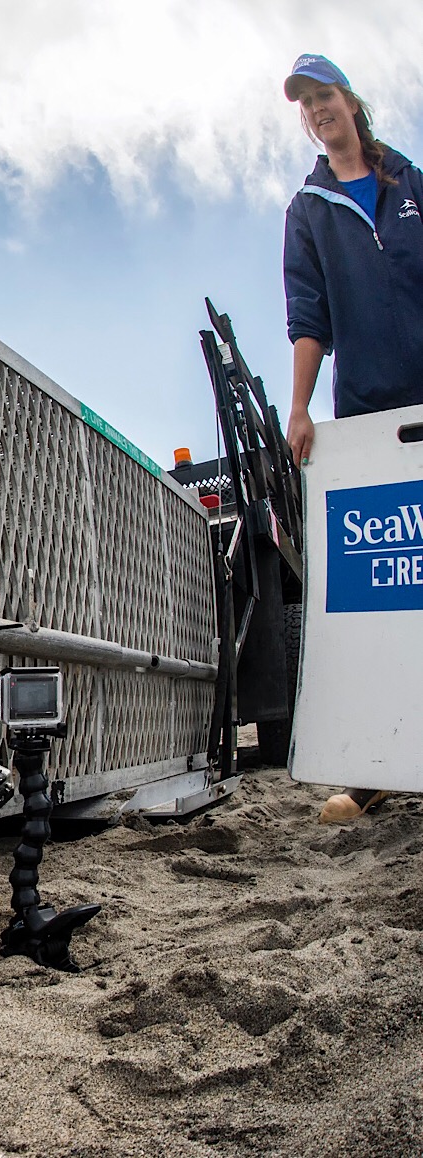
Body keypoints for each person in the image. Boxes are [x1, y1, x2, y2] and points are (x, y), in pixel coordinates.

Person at [282, 54, 423, 823]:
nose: (316, 110)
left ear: (352, 102)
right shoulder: (308, 208)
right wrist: (301, 408)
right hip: (369, 417)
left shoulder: (411, 183)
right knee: (389, 591)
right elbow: (309, 317)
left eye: (324, 95)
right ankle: (377, 765)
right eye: (304, 104)